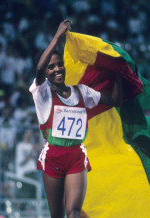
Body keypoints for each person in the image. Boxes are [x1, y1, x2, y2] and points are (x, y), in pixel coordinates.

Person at [29, 19, 122, 218]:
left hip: (76, 156)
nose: (56, 69)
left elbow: (115, 100)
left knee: (73, 212)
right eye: (51, 67)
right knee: (57, 215)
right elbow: (38, 70)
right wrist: (57, 35)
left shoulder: (82, 92)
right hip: (53, 157)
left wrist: (118, 74)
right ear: (45, 72)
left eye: (59, 64)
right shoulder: (42, 94)